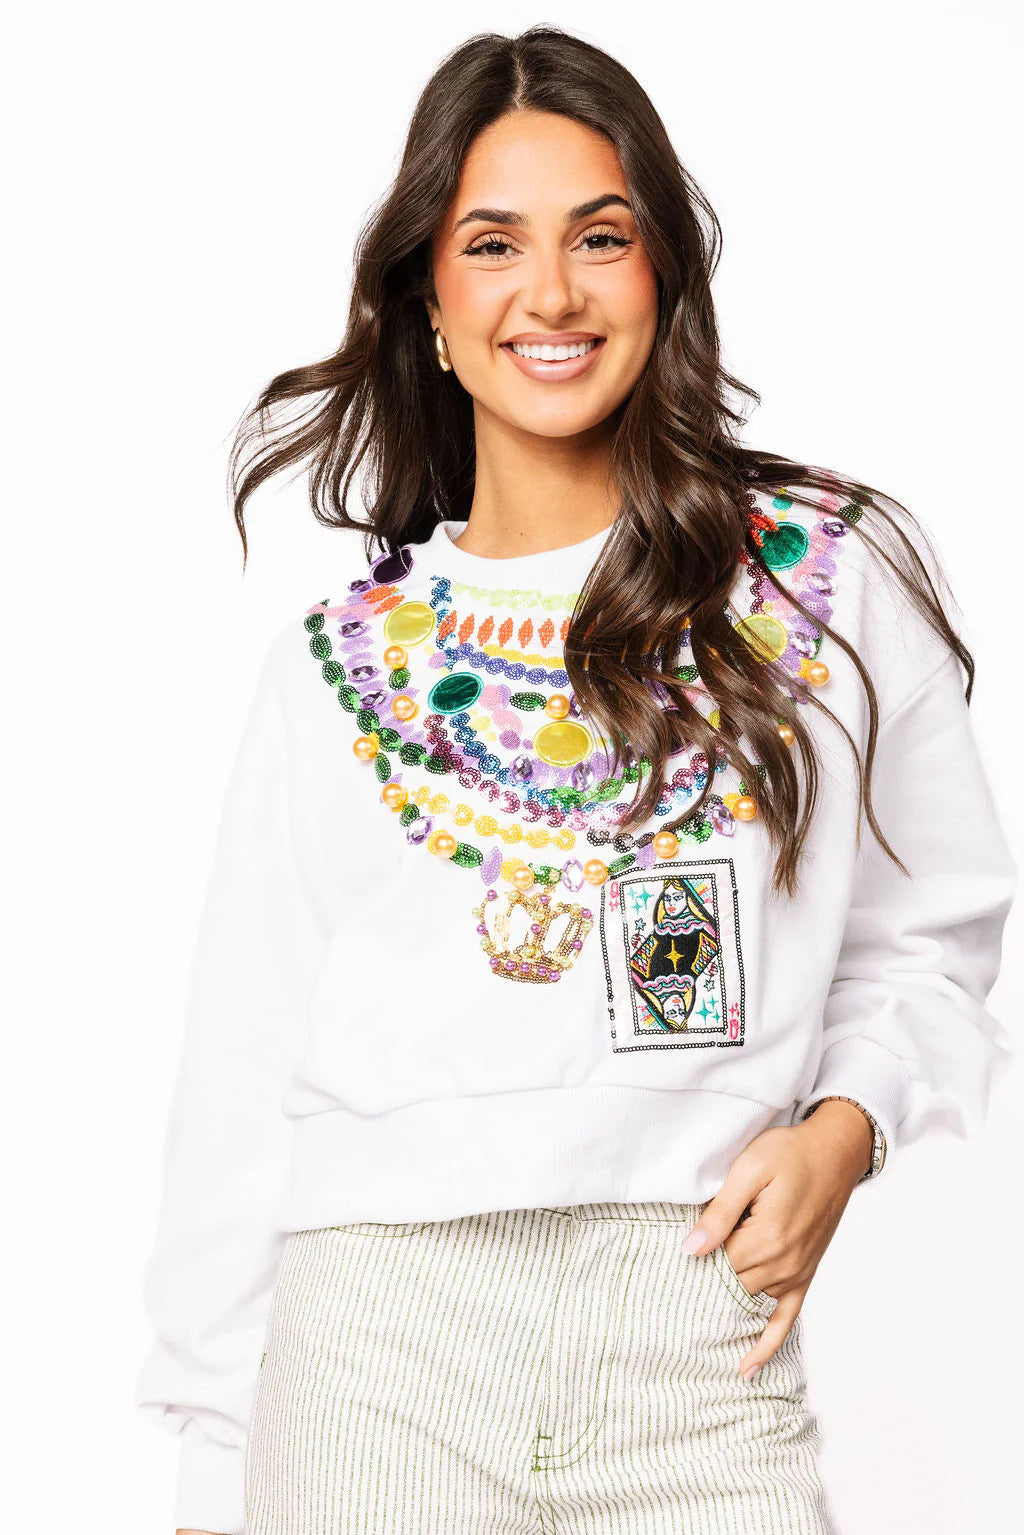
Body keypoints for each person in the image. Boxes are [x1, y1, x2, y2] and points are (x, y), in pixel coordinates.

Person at [133, 25, 1017, 1535]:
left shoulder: (817, 579)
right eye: (494, 245)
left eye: (600, 237)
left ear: (662, 269)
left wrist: (845, 1128)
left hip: (694, 1335)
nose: (551, 294)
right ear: (429, 302)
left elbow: (936, 929)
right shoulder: (341, 663)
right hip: (376, 1348)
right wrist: (216, 1464)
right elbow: (243, 1066)